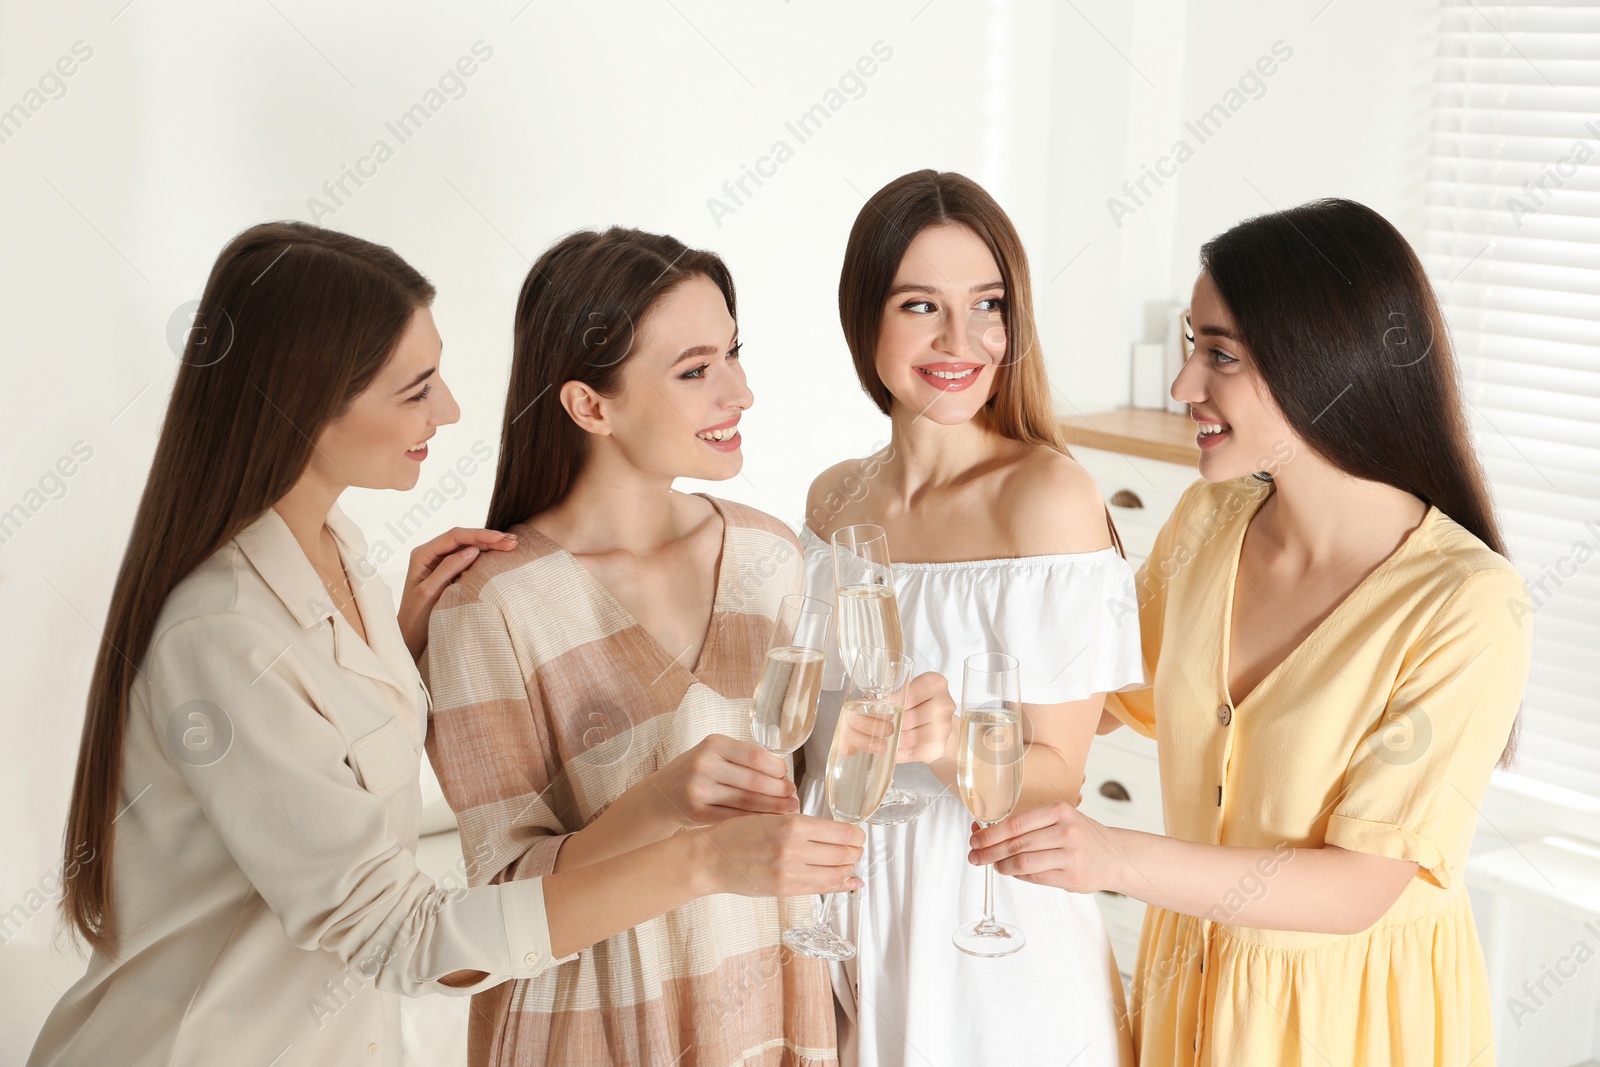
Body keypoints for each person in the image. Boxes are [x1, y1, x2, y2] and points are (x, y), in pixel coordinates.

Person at [31, 221, 843, 1067]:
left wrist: (399, 654)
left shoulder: (340, 560)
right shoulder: (223, 633)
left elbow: (341, 768)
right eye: (414, 388)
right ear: (307, 406)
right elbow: (399, 932)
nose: (451, 409)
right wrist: (698, 859)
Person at [970, 198, 1533, 1066]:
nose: (1183, 386)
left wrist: (1113, 854)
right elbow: (1103, 705)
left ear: (1325, 361)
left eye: (1218, 354)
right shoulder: (1207, 519)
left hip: (1345, 1021)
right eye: (1192, 345)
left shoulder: (1468, 604)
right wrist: (947, 708)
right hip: (1185, 984)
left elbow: (1357, 887)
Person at [424, 227, 874, 1066]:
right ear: (590, 406)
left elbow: (808, 798)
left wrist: (880, 739)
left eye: (735, 353)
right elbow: (490, 919)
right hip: (597, 1029)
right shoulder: (494, 605)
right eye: (696, 369)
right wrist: (658, 806)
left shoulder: (772, 557)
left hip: (773, 1011)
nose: (740, 391)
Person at [799, 170, 1143, 1066]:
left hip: (984, 922)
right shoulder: (832, 498)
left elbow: (1059, 775)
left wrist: (949, 744)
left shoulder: (1046, 496)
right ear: (862, 316)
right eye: (921, 306)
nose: (961, 339)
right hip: (838, 917)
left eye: (986, 304)